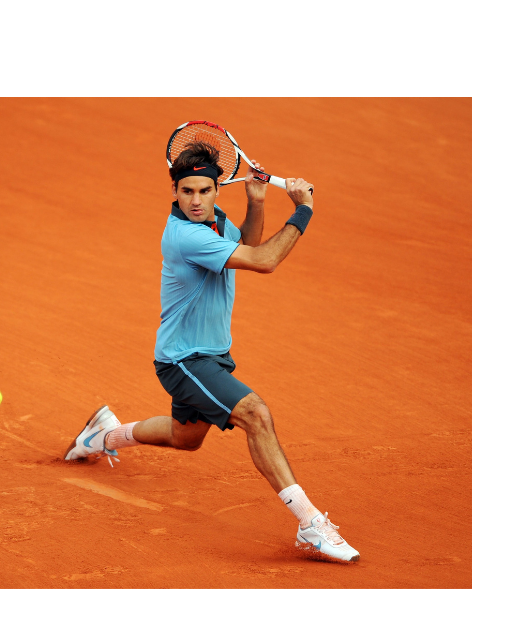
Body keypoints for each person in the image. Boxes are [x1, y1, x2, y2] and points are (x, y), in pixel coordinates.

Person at [64, 141, 359, 563]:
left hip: (210, 356)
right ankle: (311, 523)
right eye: (187, 192)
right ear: (175, 193)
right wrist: (303, 210)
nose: (196, 201)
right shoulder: (186, 236)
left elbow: (247, 245)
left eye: (204, 191)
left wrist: (256, 203)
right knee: (255, 414)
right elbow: (264, 260)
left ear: (217, 190)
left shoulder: (216, 222)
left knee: (185, 439)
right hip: (185, 360)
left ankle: (102, 435)